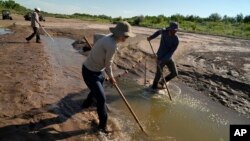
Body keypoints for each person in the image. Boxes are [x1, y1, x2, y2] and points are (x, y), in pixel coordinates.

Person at [81, 21, 135, 132]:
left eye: (127, 36)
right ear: (119, 34)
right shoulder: (112, 45)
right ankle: (103, 126)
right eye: (125, 36)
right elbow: (108, 64)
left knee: (95, 91)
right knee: (101, 99)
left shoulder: (108, 37)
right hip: (90, 72)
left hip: (98, 71)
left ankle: (85, 105)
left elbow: (98, 39)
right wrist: (112, 78)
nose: (126, 38)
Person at [147, 22, 179, 90]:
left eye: (175, 30)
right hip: (160, 56)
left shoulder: (176, 40)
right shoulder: (164, 31)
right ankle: (153, 87)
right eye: (172, 30)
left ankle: (162, 82)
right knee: (158, 74)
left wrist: (161, 60)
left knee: (175, 73)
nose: (174, 31)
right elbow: (158, 32)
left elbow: (171, 52)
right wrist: (151, 37)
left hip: (168, 58)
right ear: (169, 29)